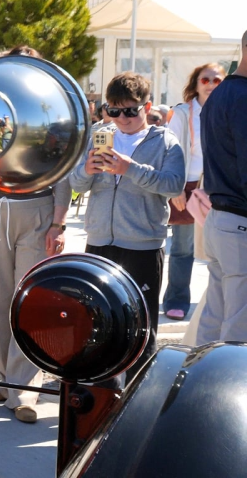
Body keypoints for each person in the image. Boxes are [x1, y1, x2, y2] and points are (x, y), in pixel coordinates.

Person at [70, 71, 184, 378]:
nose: (122, 118)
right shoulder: (99, 134)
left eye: (131, 110)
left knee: (141, 327)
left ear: (147, 108)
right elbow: (76, 183)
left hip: (142, 246)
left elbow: (174, 186)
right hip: (99, 241)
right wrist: (87, 170)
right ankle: (101, 390)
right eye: (115, 110)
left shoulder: (166, 142)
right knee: (98, 323)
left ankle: (137, 395)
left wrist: (130, 168)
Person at [0, 158, 69, 424]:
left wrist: (58, 224)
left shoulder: (45, 122)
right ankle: (5, 378)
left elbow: (63, 175)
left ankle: (24, 390)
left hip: (37, 211)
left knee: (29, 300)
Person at [160, 63, 225, 320]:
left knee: (220, 249)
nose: (210, 85)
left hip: (219, 187)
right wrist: (175, 188)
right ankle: (177, 300)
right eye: (205, 80)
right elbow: (171, 151)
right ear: (196, 84)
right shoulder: (182, 113)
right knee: (183, 248)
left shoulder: (228, 109)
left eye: (217, 80)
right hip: (187, 186)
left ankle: (216, 303)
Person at [195, 31, 247, 344]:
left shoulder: (221, 94)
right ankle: (227, 391)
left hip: (221, 220)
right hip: (236, 221)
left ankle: (199, 389)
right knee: (238, 327)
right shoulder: (241, 97)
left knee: (214, 319)